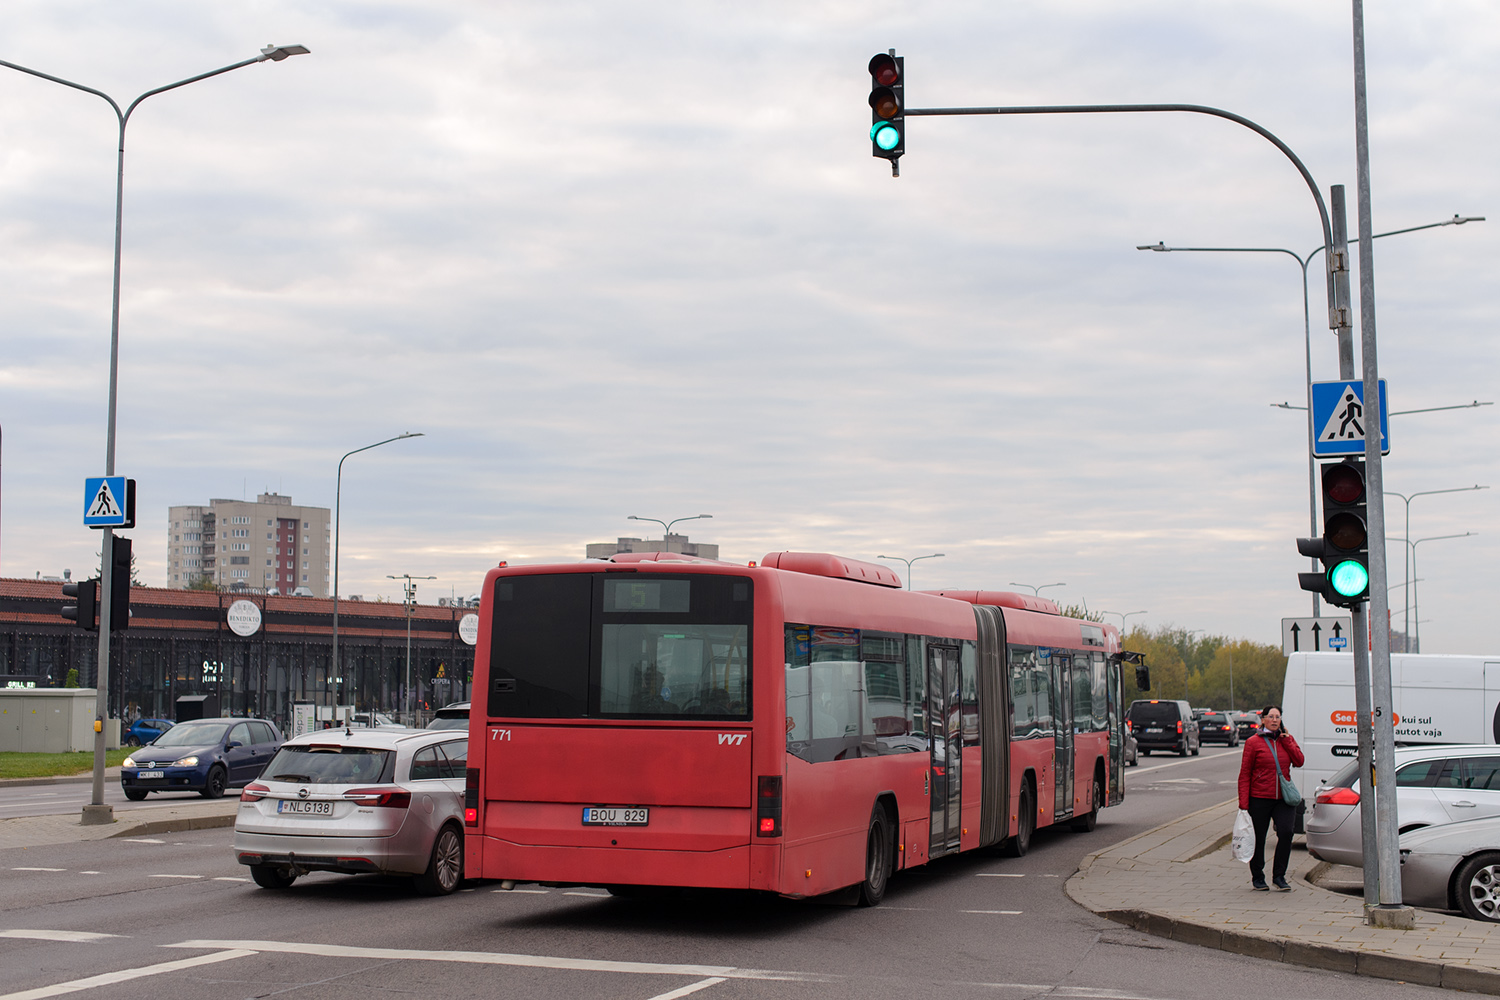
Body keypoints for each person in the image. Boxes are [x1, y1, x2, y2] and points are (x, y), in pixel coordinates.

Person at [1237, 704, 1304, 891]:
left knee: (1286, 833)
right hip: (1259, 797)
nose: (1275, 720)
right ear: (1263, 719)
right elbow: (1245, 774)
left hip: (1284, 798)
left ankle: (1279, 876)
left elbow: (1299, 761)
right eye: (1271, 716)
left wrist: (1288, 740)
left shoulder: (1286, 740)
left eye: (1278, 717)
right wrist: (1244, 804)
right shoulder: (1253, 742)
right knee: (1258, 838)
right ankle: (1258, 876)